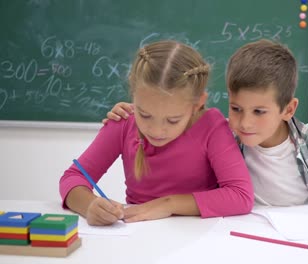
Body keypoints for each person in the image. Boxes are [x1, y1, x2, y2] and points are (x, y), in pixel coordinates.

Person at [105, 39, 308, 228]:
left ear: (288, 109)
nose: (244, 122)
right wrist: (131, 112)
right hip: (250, 229)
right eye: (236, 108)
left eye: (259, 112)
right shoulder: (227, 139)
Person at [60, 40, 254, 226]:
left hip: (198, 236)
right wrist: (89, 205)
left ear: (198, 104)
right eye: (144, 115)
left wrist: (168, 204)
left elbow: (241, 196)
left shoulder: (212, 127)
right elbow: (73, 178)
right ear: (134, 95)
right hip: (139, 235)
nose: (157, 130)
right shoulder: (124, 121)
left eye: (172, 120)